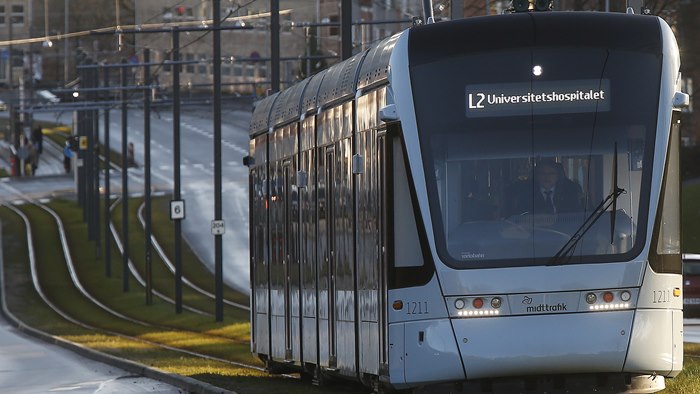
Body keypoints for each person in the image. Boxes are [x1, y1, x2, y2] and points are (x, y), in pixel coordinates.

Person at [509, 159, 584, 215]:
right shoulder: (525, 194)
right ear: (537, 176)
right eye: (542, 173)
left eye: (551, 173)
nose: (547, 177)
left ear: (558, 176)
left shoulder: (571, 192)